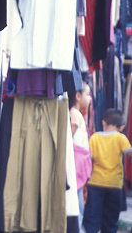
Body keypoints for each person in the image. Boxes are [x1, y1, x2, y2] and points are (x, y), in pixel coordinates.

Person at [83, 109, 132, 233]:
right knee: (111, 219)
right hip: (114, 183)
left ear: (103, 122)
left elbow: (89, 158)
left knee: (92, 217)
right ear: (121, 127)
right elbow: (129, 153)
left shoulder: (94, 138)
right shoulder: (121, 138)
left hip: (96, 183)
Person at [69, 82, 93, 229]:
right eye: (87, 94)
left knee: (79, 205)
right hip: (76, 162)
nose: (90, 98)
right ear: (78, 96)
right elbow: (68, 138)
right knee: (77, 206)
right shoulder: (75, 114)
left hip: (79, 161)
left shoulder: (77, 114)